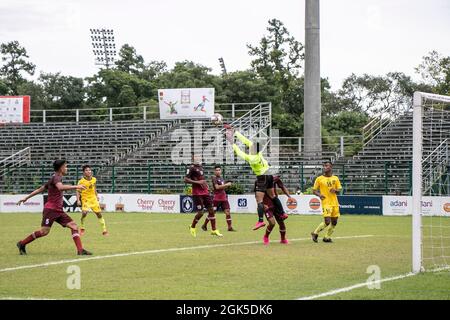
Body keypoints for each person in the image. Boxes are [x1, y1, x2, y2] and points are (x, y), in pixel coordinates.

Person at [16, 159, 92, 255]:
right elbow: (60, 187)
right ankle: (22, 243)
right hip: (51, 210)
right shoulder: (56, 178)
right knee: (44, 232)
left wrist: (26, 197)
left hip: (58, 210)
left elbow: (41, 189)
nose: (67, 168)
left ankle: (80, 250)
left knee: (74, 226)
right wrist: (76, 186)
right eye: (65, 166)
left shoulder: (54, 178)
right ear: (61, 168)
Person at [225, 124, 287, 230]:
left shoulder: (252, 158)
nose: (250, 146)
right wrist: (234, 131)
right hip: (269, 175)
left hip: (262, 178)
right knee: (273, 196)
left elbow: (239, 152)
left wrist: (231, 142)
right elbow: (245, 141)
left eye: (251, 146)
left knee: (259, 200)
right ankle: (282, 213)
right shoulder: (258, 152)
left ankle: (260, 221)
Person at [184, 154, 223, 238]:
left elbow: (201, 179)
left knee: (211, 210)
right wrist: (198, 183)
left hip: (205, 192)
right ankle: (192, 227)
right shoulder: (190, 168)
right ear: (193, 159)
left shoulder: (201, 167)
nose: (198, 158)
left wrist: (206, 185)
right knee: (201, 212)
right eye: (196, 157)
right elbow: (186, 179)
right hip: (197, 193)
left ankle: (214, 230)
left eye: (199, 157)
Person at [311, 161, 342, 243]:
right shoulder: (319, 179)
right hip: (326, 202)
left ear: (331, 167)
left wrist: (335, 190)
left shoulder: (335, 178)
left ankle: (326, 237)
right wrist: (319, 195)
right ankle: (315, 233)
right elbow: (314, 191)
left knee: (334, 222)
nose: (324, 167)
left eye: (326, 166)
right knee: (327, 221)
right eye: (324, 166)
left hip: (335, 203)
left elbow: (339, 190)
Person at [76, 165, 108, 236]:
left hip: (93, 198)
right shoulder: (81, 181)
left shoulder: (94, 179)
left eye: (89, 170)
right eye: (87, 170)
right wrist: (78, 200)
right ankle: (82, 227)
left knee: (99, 214)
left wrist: (96, 196)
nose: (89, 171)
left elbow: (94, 188)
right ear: (84, 172)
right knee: (84, 213)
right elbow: (78, 191)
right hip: (85, 199)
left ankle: (104, 230)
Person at [202, 165, 235, 232]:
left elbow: (222, 187)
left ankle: (229, 227)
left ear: (221, 171)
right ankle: (204, 225)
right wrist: (226, 185)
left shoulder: (222, 178)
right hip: (216, 199)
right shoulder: (214, 178)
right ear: (214, 171)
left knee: (228, 212)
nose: (218, 171)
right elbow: (217, 187)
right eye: (216, 170)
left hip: (224, 198)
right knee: (212, 213)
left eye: (219, 170)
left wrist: (228, 185)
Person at [261, 176, 290, 245]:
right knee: (272, 223)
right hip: (267, 205)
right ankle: (266, 237)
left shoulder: (275, 178)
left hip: (276, 205)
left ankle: (283, 239)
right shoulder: (260, 181)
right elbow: (257, 195)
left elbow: (282, 187)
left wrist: (289, 196)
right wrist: (262, 204)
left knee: (281, 223)